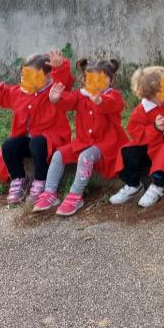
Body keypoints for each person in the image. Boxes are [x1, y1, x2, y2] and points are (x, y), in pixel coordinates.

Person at [34, 57, 128, 216]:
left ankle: (75, 196)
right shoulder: (81, 95)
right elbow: (69, 101)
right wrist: (56, 99)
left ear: (110, 80)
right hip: (83, 142)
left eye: (101, 78)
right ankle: (50, 193)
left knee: (85, 156)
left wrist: (100, 101)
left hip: (107, 144)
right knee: (59, 155)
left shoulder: (114, 95)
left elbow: (115, 104)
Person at [0, 49, 73, 204]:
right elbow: (1, 93)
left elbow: (64, 83)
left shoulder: (54, 91)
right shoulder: (19, 92)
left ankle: (40, 181)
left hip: (51, 143)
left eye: (33, 77)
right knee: (9, 145)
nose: (27, 80)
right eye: (25, 76)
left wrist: (60, 68)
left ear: (48, 76)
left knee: (37, 142)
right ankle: (19, 180)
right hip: (30, 144)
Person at [109, 67, 164, 208]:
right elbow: (135, 131)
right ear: (154, 93)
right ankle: (133, 185)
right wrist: (154, 128)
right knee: (127, 152)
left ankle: (157, 186)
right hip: (150, 147)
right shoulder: (142, 109)